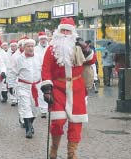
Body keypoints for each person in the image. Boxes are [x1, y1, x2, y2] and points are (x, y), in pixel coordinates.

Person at [41, 17, 96, 159]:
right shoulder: (51, 48)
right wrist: (47, 89)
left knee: (76, 122)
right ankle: (54, 147)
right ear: (59, 31)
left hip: (77, 88)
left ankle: (71, 153)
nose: (65, 33)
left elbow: (92, 60)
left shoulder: (79, 47)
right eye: (63, 30)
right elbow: (46, 69)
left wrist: (85, 47)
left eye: (68, 30)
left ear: (73, 33)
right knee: (58, 121)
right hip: (58, 88)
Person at [10, 38, 43, 139]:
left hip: (37, 87)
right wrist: (10, 85)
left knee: (35, 109)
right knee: (26, 107)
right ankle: (28, 129)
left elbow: (44, 71)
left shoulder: (39, 57)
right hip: (23, 86)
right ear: (24, 48)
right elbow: (12, 73)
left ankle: (30, 123)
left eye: (32, 46)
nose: (30, 48)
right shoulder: (18, 59)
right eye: (28, 46)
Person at [35, 31, 49, 118]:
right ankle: (43, 109)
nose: (43, 41)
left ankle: (51, 106)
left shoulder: (51, 48)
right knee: (41, 90)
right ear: (39, 40)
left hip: (49, 72)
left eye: (44, 39)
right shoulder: (36, 49)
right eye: (42, 39)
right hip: (39, 72)